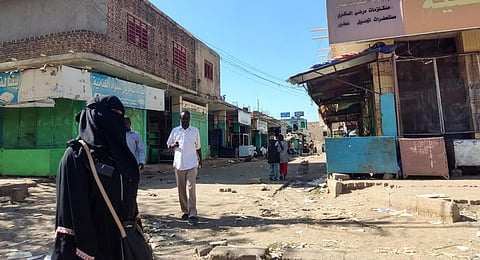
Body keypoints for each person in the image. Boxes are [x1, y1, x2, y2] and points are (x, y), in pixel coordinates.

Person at [52, 95, 144, 259]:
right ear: (96, 118)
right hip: (95, 250)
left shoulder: (121, 157)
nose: (118, 121)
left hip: (123, 246)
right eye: (113, 114)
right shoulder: (76, 157)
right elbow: (68, 216)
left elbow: (129, 200)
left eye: (120, 115)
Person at [166, 111, 202, 225]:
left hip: (192, 163)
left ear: (189, 119)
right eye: (183, 118)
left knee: (191, 188)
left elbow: (198, 147)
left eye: (186, 118)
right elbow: (168, 144)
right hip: (179, 164)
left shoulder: (195, 131)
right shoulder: (175, 131)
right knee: (181, 189)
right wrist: (173, 145)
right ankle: (185, 211)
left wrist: (201, 159)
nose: (184, 120)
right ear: (180, 119)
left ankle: (192, 213)